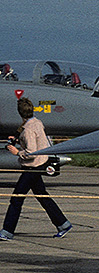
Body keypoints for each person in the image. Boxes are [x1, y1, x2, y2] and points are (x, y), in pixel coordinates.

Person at [1, 99, 71, 240]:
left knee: (17, 198)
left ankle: (7, 231)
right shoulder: (37, 122)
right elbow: (27, 131)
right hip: (40, 165)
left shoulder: (27, 130)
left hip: (32, 167)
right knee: (42, 196)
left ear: (19, 112)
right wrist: (16, 138)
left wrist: (16, 151)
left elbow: (30, 153)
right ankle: (63, 224)